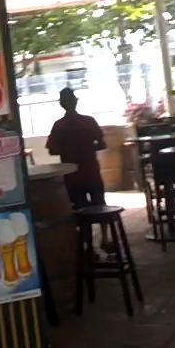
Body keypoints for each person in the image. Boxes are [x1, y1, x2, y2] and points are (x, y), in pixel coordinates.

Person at [46, 88, 112, 251]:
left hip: (72, 176)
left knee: (78, 210)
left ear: (61, 104)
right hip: (91, 171)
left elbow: (52, 150)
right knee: (100, 204)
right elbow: (102, 144)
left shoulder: (59, 126)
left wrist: (68, 150)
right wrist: (87, 148)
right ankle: (105, 239)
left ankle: (87, 246)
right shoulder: (89, 121)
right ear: (76, 102)